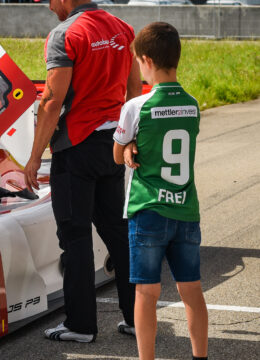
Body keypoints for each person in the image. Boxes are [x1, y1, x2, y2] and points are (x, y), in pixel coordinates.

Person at [24, 0, 142, 342]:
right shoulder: (122, 27)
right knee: (118, 234)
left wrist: (34, 157)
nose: (48, 6)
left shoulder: (64, 34)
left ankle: (80, 325)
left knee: (74, 237)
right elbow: (134, 91)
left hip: (76, 149)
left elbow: (51, 100)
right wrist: (128, 137)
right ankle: (137, 318)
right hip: (112, 144)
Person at [113, 22, 208, 360]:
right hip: (185, 208)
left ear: (147, 60)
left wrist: (128, 147)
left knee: (146, 292)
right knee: (191, 289)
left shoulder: (136, 106)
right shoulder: (193, 104)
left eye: (138, 62)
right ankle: (200, 355)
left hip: (148, 208)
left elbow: (117, 153)